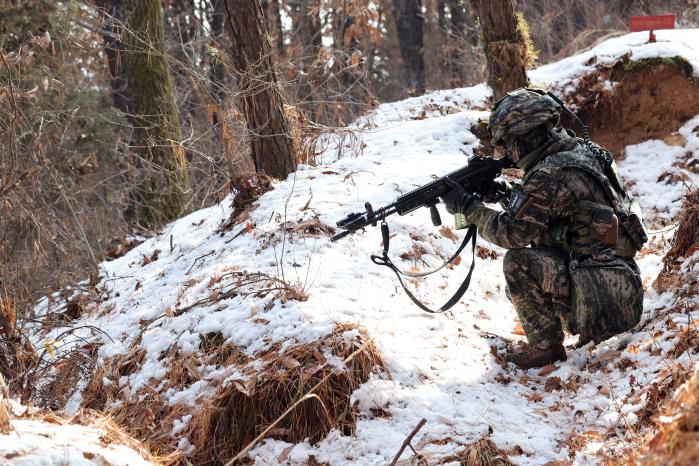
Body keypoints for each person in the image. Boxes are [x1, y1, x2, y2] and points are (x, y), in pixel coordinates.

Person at [441, 88, 648, 369]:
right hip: (617, 284)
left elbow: (512, 234)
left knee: (518, 263)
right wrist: (504, 193)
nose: (505, 151)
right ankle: (576, 328)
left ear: (526, 137)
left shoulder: (548, 174)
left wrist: (469, 207)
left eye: (508, 143)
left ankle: (545, 348)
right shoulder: (577, 150)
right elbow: (555, 209)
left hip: (599, 296)